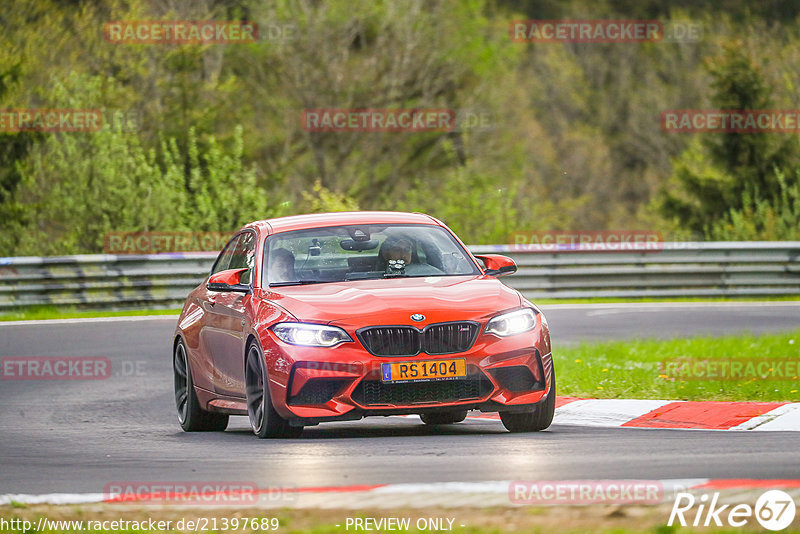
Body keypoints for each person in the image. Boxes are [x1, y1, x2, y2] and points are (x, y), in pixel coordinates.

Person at [378, 237, 442, 276]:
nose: (403, 254)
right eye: (397, 250)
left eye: (407, 249)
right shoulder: (375, 278)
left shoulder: (427, 272)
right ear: (385, 254)